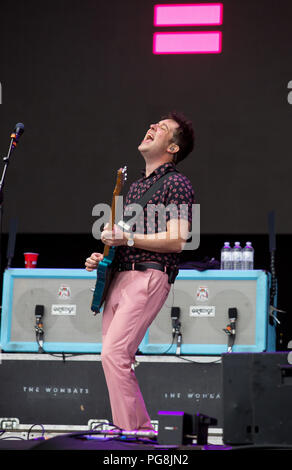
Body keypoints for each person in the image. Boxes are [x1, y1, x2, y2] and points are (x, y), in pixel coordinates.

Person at [85, 111, 195, 434]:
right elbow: (122, 239)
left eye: (161, 129)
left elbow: (177, 239)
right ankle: (133, 431)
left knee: (114, 354)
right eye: (152, 124)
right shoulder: (134, 189)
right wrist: (101, 256)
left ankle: (137, 434)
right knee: (114, 358)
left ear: (173, 148)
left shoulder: (177, 183)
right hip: (119, 275)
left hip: (148, 274)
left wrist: (127, 237)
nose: (151, 127)